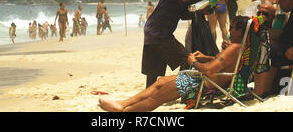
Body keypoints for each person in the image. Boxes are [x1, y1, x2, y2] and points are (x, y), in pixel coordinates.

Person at [99, 16, 249, 112]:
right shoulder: (237, 47)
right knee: (161, 81)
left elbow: (209, 70)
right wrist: (206, 56)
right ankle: (124, 103)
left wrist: (194, 62)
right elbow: (220, 64)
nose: (229, 30)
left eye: (233, 28)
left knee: (158, 96)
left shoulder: (234, 48)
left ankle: (125, 112)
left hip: (205, 82)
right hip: (204, 80)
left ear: (241, 32)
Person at [142, 0, 218, 88]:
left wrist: (201, 12)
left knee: (154, 71)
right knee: (186, 59)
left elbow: (183, 14)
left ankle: (148, 93)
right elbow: (182, 0)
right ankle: (180, 89)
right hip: (160, 33)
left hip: (154, 30)